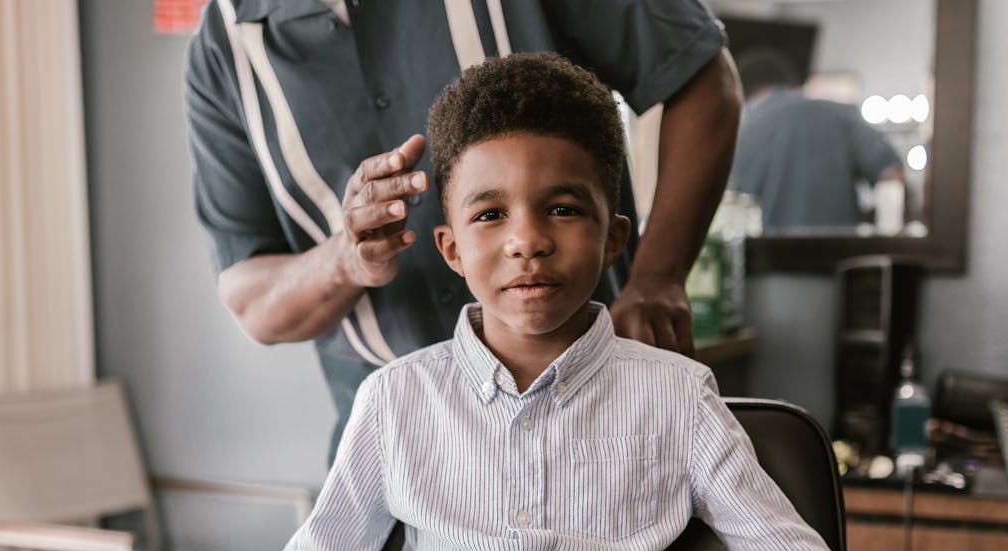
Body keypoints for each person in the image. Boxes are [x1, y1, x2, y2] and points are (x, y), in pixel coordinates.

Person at [117, 53, 1008, 551]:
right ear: (451, 247)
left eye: (564, 208)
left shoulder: (674, 397)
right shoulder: (397, 401)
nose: (528, 239)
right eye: (490, 214)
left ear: (615, 236)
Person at [185, 0, 742, 458]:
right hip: (403, 448)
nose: (524, 241)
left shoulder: (685, 408)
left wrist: (659, 276)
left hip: (601, 412)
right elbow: (252, 300)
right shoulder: (224, 47)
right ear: (447, 247)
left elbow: (701, 75)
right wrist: (344, 259)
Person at [727, 47, 904, 231]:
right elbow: (892, 172)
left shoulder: (743, 131)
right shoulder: (841, 115)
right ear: (794, 85)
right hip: (843, 253)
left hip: (772, 255)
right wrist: (886, 232)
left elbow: (728, 207)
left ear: (741, 93)